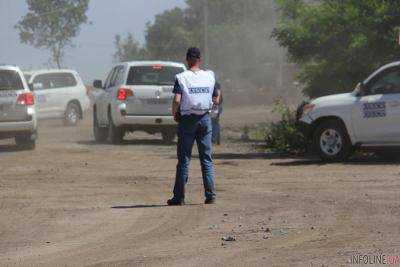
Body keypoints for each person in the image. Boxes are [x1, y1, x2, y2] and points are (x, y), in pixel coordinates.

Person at [167, 47, 220, 206]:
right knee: (206, 159)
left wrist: (175, 114)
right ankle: (210, 195)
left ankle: (179, 197)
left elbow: (177, 100)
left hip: (187, 120)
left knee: (184, 160)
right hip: (205, 119)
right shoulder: (209, 76)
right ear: (200, 59)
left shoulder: (182, 77)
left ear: (187, 60)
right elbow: (216, 97)